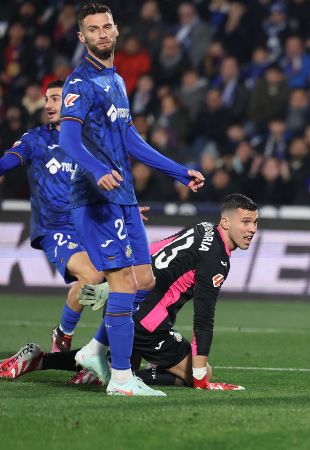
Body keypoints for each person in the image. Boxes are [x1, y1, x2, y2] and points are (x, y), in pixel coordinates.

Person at [58, 3, 204, 397]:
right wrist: (95, 169)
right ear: (82, 37)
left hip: (123, 196)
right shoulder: (79, 83)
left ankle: (96, 349)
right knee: (123, 282)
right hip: (95, 197)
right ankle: (121, 378)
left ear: (116, 31)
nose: (102, 33)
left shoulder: (118, 81)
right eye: (93, 29)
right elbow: (68, 140)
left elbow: (129, 140)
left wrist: (178, 170)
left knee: (144, 279)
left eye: (107, 26)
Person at [0, 194, 258, 392]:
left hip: (125, 297)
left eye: (255, 223)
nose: (252, 230)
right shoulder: (217, 260)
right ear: (225, 222)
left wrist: (116, 282)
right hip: (148, 322)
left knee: (114, 360)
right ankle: (111, 374)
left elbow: (154, 249)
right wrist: (200, 376)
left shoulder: (203, 228)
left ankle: (40, 360)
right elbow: (203, 318)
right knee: (200, 373)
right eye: (245, 222)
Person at [0, 80, 104, 354]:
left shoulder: (89, 143)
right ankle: (79, 341)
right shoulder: (36, 139)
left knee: (104, 280)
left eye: (55, 98)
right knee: (93, 277)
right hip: (54, 226)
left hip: (89, 225)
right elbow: (9, 161)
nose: (48, 105)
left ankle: (66, 335)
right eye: (47, 99)